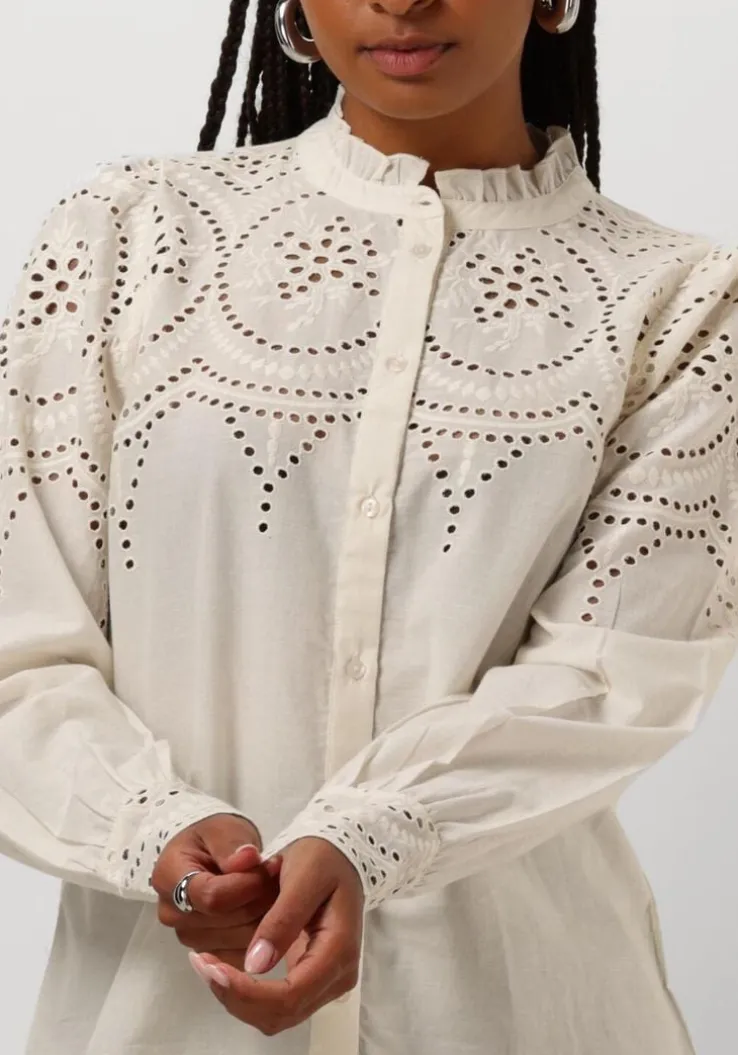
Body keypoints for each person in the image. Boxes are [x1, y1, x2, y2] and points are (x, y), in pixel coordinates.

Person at [1, 0, 736, 1052]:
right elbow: (18, 640)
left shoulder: (683, 303)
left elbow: (614, 675)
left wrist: (371, 838)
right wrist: (152, 828)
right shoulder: (132, 233)